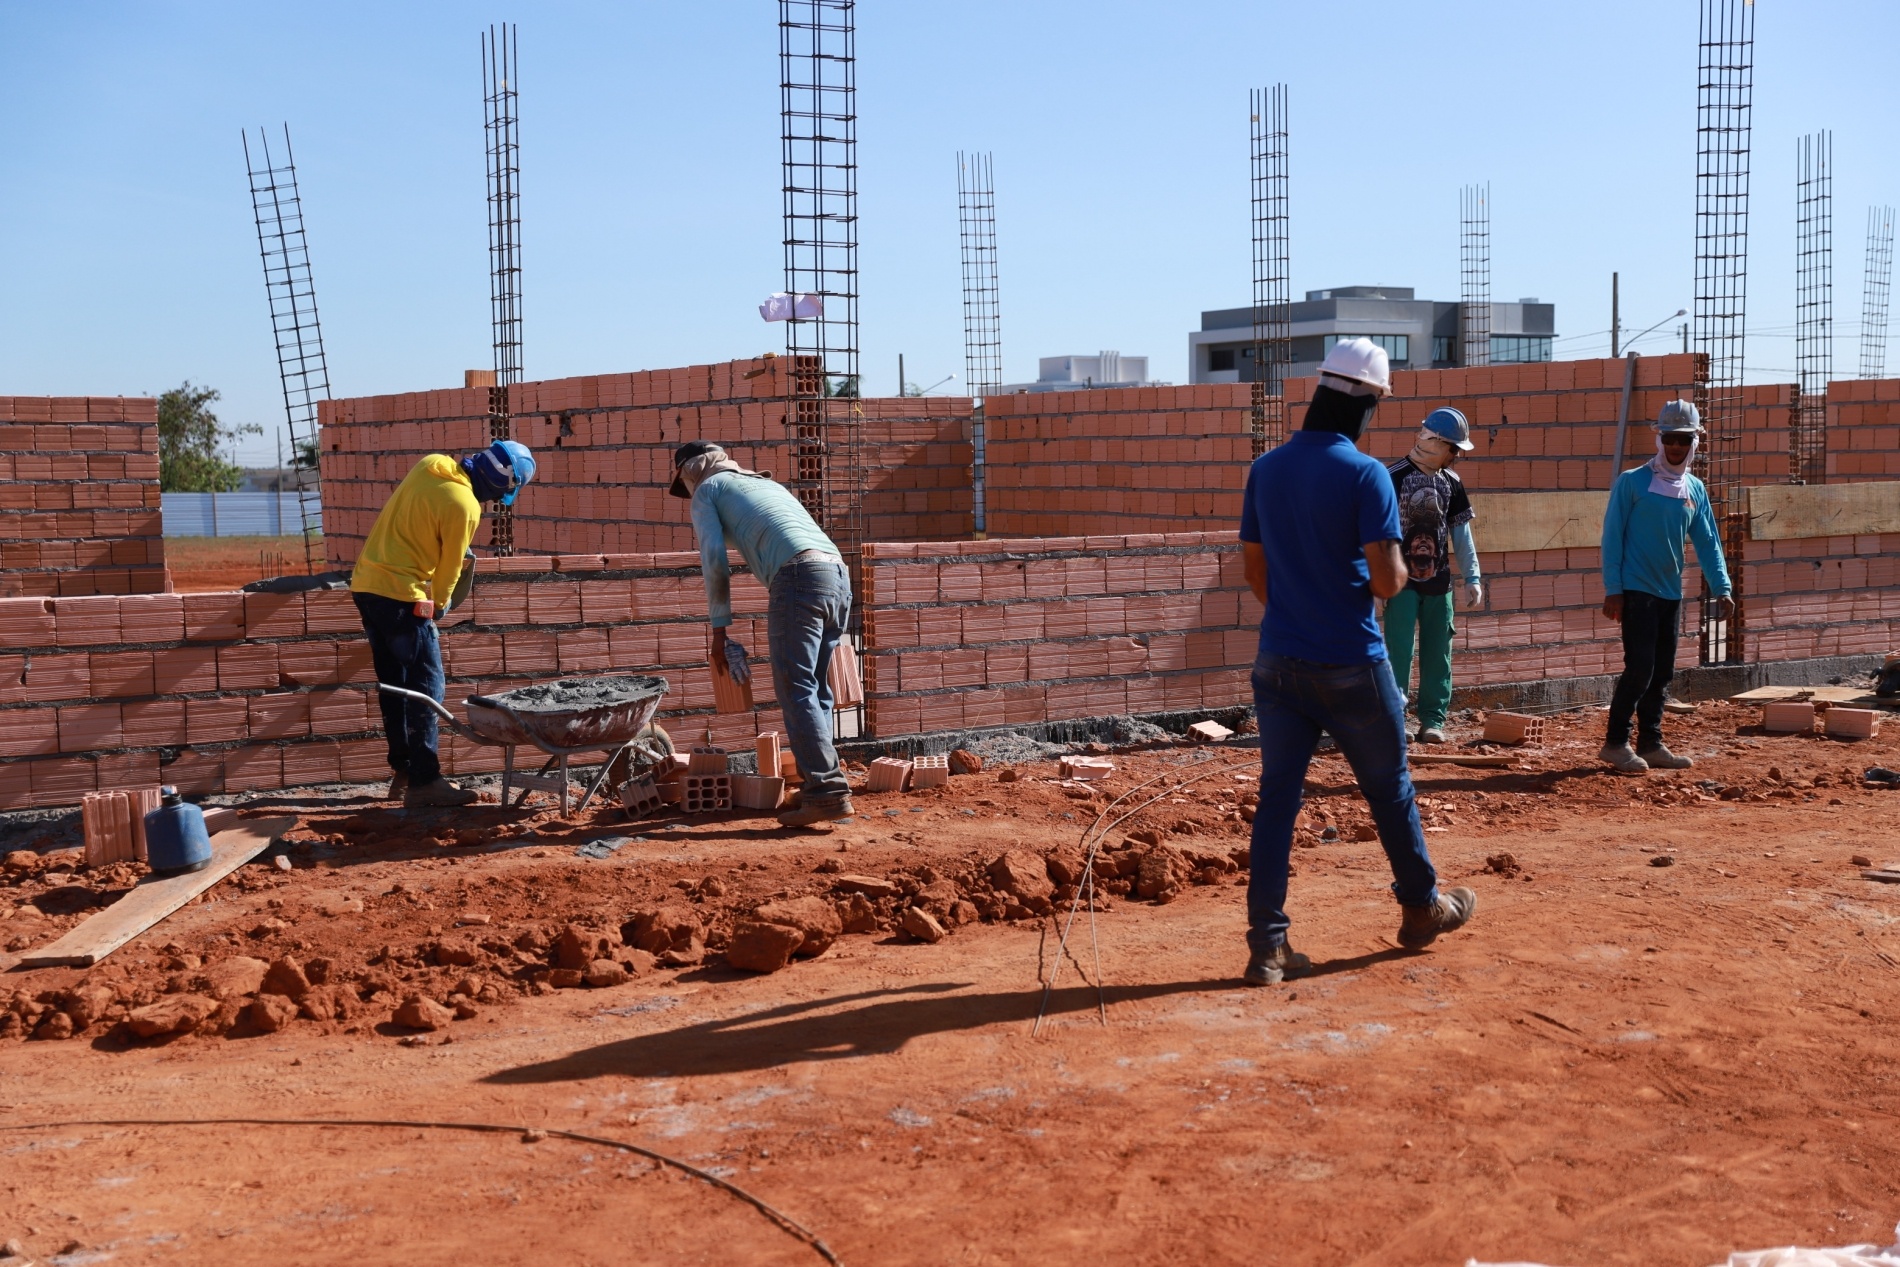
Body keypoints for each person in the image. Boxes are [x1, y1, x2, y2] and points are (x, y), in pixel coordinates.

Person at [1237, 338, 1477, 987]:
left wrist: (1298, 606)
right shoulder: (1366, 474)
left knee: (1278, 800)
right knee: (1389, 789)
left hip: (1278, 662)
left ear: (1320, 390)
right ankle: (1421, 908)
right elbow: (1390, 579)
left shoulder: (1266, 469)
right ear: (1370, 403)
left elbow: (1255, 570)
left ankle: (1268, 947)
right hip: (1350, 663)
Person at [669, 441, 855, 827]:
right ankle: (820, 785)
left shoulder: (707, 489)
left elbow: (714, 561)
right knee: (815, 689)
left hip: (799, 577)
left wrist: (719, 633)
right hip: (837, 574)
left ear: (689, 472)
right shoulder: (765, 484)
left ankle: (826, 792)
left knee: (796, 688)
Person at [351, 440, 535, 808]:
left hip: (366, 587)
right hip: (401, 597)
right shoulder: (465, 506)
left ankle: (405, 770)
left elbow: (418, 522)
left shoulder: (430, 463)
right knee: (428, 686)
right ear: (501, 484)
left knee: (397, 685)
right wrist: (439, 605)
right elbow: (449, 571)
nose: (495, 500)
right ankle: (425, 782)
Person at [1599, 400, 1733, 774]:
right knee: (1640, 668)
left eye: (1683, 440)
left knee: (1661, 673)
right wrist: (1614, 588)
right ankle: (1615, 743)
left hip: (1670, 593)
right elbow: (1612, 537)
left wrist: (1722, 586)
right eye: (1670, 438)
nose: (1675, 446)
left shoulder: (1694, 489)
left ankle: (1651, 743)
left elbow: (1708, 541)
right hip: (1636, 591)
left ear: (1694, 443)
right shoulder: (1632, 482)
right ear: (1660, 439)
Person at [1383, 407, 1484, 745]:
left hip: (1439, 583)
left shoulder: (1451, 482)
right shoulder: (1392, 478)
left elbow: (1462, 535)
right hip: (1399, 583)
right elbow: (1374, 532)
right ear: (1437, 443)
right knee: (1398, 652)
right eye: (1453, 448)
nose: (1456, 456)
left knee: (1438, 652)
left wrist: (1472, 577)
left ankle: (1432, 719)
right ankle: (1394, 719)